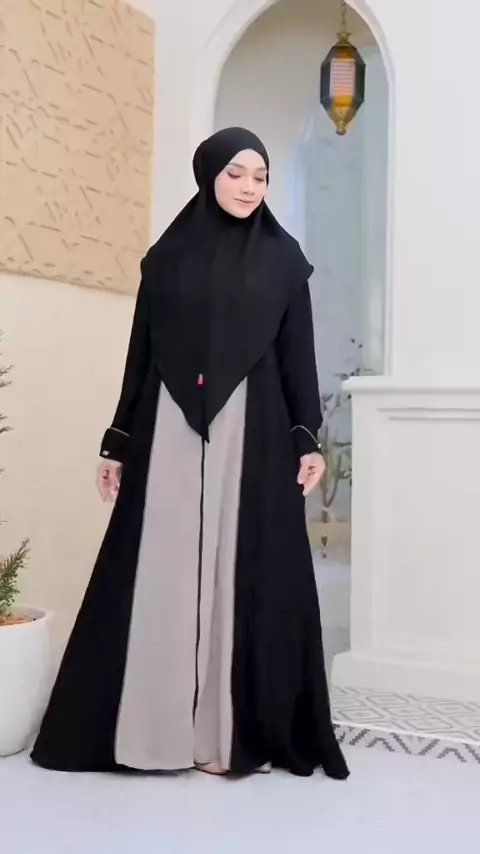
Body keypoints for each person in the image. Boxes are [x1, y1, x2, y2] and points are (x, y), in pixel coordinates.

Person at [31, 127, 349, 780]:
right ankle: (154, 731)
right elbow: (141, 354)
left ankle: (226, 736)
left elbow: (298, 355)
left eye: (261, 176)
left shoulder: (284, 261)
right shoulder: (166, 259)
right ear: (209, 174)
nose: (250, 187)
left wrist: (306, 436)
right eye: (237, 173)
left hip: (254, 432)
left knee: (241, 570)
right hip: (169, 424)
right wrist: (118, 441)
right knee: (162, 568)